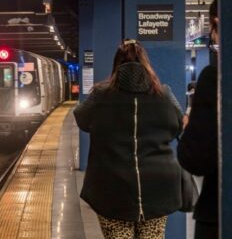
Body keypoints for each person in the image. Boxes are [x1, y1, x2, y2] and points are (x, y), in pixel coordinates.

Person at [74, 39, 183, 239]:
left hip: (112, 190)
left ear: (116, 65)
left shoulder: (100, 94)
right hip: (157, 188)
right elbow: (179, 123)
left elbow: (81, 118)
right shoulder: (164, 94)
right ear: (145, 63)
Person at [177, 0, 219, 239]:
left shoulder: (215, 78)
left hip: (219, 215)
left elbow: (196, 160)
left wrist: (188, 128)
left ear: (216, 22)